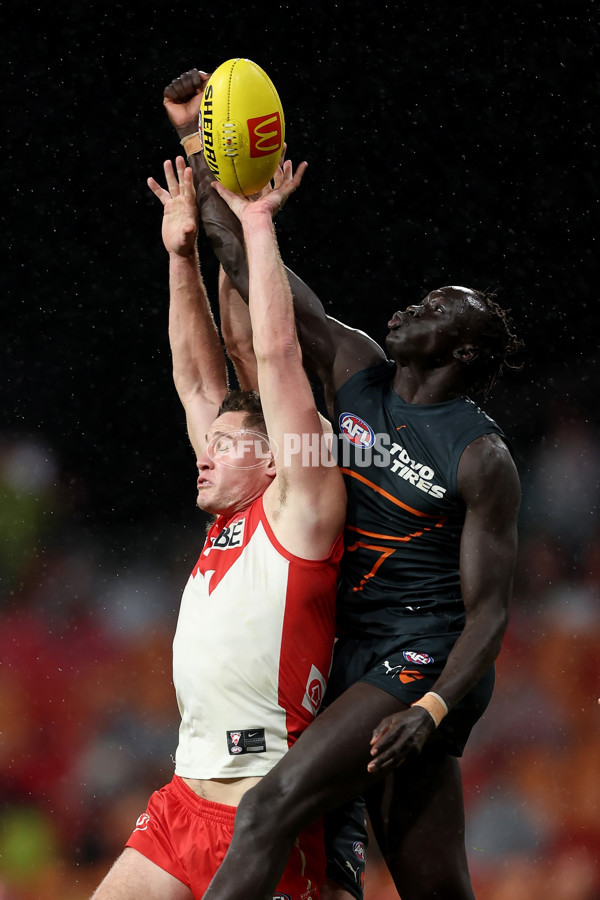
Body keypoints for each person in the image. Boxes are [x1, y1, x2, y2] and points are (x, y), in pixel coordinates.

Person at [162, 70, 522, 900]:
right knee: (422, 880)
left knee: (270, 811)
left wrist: (429, 710)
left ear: (464, 354)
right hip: (349, 651)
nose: (414, 307)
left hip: (414, 660)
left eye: (439, 307)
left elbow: (490, 614)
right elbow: (240, 260)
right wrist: (197, 138)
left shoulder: (479, 455)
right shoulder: (358, 368)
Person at [90, 153, 349, 900]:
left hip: (264, 813)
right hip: (181, 804)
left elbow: (275, 355)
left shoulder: (301, 506)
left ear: (275, 460)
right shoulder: (232, 515)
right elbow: (199, 382)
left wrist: (258, 225)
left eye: (230, 445)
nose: (207, 456)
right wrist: (181, 257)